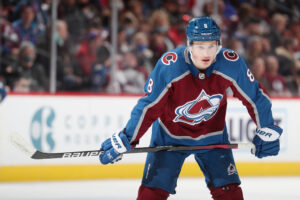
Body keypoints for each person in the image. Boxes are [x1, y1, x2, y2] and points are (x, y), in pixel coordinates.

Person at [99, 16, 283, 200]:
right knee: (151, 193)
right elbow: (149, 107)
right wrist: (128, 137)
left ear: (219, 45)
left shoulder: (230, 63)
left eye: (212, 46)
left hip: (213, 137)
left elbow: (256, 97)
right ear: (189, 45)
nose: (206, 53)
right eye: (200, 46)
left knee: (230, 193)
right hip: (169, 138)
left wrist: (266, 127)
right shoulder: (170, 66)